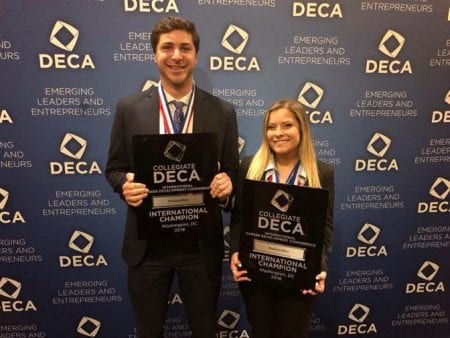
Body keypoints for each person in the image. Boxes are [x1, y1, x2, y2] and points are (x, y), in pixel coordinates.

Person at [105, 16, 239, 338]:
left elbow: (232, 171)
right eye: (168, 48)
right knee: (149, 330)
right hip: (147, 244)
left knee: (204, 329)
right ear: (155, 54)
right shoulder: (129, 108)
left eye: (185, 48)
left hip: (199, 245)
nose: (176, 56)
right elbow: (114, 168)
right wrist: (125, 186)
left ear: (196, 55)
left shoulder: (222, 111)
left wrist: (227, 187)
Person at [229, 98, 334, 338]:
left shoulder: (322, 173)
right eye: (271, 126)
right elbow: (240, 218)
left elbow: (325, 226)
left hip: (299, 274)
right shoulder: (249, 167)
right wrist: (235, 251)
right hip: (257, 273)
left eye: (287, 125)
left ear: (302, 129)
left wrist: (320, 267)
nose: (278, 133)